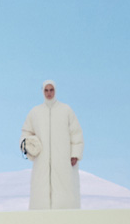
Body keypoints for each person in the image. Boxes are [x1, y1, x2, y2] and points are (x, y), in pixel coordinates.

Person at [21, 80, 84, 209]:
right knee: (41, 186)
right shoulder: (35, 112)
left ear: (55, 91)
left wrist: (75, 154)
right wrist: (28, 145)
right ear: (42, 91)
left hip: (63, 159)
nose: (49, 93)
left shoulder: (66, 110)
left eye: (51, 90)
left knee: (65, 187)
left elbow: (76, 133)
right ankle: (41, 214)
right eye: (46, 90)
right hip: (42, 159)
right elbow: (26, 132)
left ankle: (66, 213)